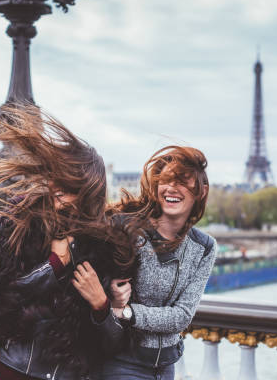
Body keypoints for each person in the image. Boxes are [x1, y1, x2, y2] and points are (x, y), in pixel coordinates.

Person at [0, 105, 138, 380]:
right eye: (57, 177)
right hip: (13, 369)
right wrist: (53, 267)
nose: (58, 187)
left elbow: (112, 345)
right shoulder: (17, 222)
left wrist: (101, 305)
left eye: (70, 185)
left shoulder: (106, 245)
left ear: (88, 192)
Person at [90, 146, 218, 380]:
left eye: (182, 181)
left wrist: (128, 312)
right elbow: (94, 287)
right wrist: (111, 296)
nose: (172, 187)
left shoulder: (204, 248)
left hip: (167, 365)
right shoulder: (126, 230)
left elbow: (182, 316)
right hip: (121, 360)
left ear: (201, 191)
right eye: (166, 180)